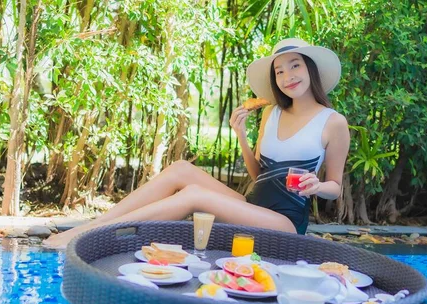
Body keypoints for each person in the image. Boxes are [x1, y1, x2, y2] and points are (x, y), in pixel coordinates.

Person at [43, 38, 350, 249]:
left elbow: (334, 186)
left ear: (310, 68)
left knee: (194, 195)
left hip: (285, 222)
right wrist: (242, 136)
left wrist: (316, 187)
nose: (287, 76)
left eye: (294, 66)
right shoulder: (271, 112)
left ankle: (91, 236)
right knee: (179, 169)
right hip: (253, 206)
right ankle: (92, 226)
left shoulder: (332, 122)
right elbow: (259, 176)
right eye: (279, 71)